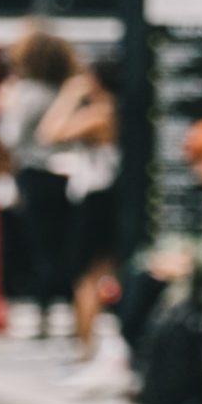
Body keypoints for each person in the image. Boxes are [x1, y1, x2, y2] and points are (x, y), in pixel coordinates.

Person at [36, 52, 124, 355]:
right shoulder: (114, 110)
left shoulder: (102, 113)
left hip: (96, 200)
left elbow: (49, 132)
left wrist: (69, 96)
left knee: (86, 278)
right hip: (105, 198)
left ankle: (85, 350)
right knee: (96, 275)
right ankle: (88, 348)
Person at [0, 28, 80, 339]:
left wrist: (5, 105)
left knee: (41, 245)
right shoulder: (64, 88)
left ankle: (45, 311)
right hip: (68, 174)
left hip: (35, 174)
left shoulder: (27, 93)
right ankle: (69, 309)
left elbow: (10, 137)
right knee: (65, 243)